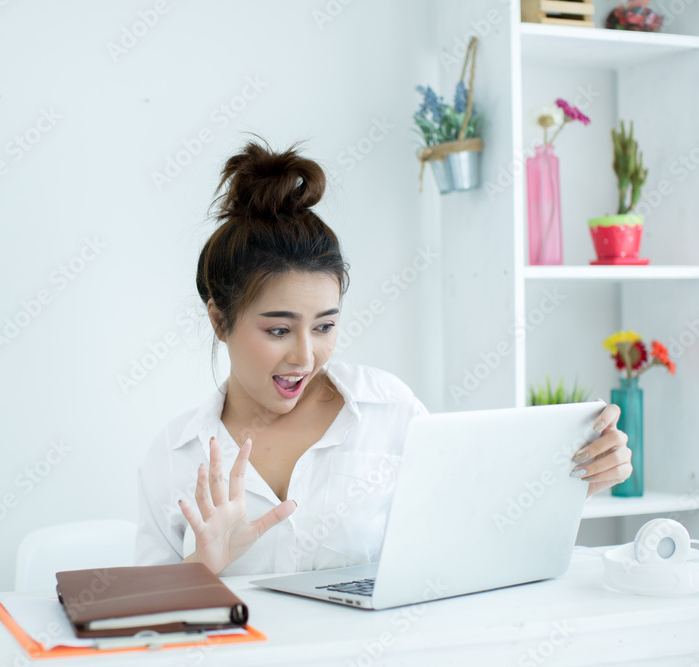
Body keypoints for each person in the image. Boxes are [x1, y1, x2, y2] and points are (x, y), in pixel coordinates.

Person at [134, 137, 630, 577]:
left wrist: (573, 485)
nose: (306, 356)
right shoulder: (175, 457)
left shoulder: (388, 411)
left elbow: (469, 541)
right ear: (219, 321)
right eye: (279, 329)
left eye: (325, 326)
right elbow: (140, 634)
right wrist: (201, 569)